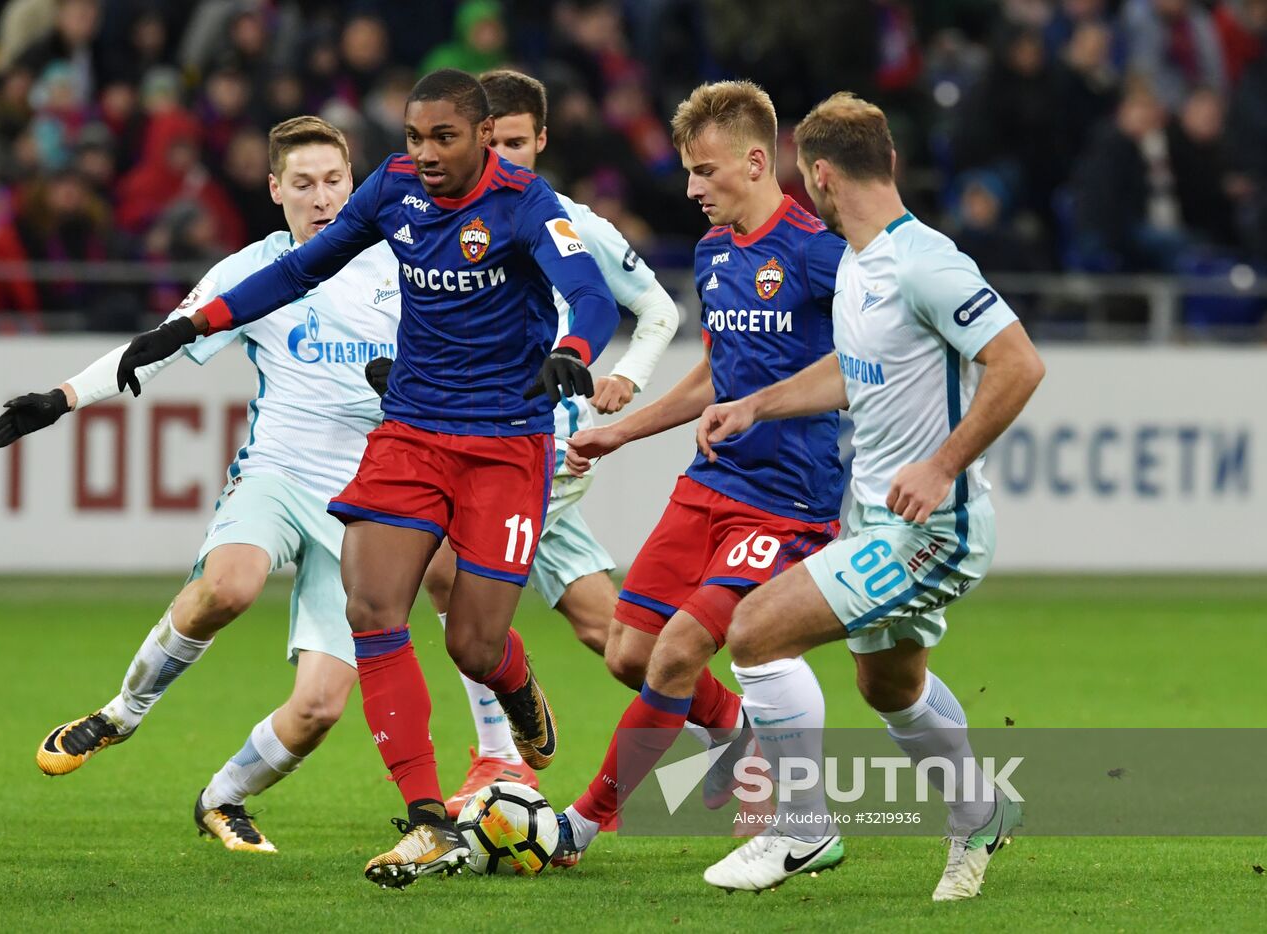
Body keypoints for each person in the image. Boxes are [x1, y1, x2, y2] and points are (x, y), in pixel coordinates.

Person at [110, 69, 620, 887]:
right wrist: (190, 324)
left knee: (474, 642)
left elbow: (591, 296)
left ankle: (515, 681)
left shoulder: (527, 204)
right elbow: (297, 270)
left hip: (503, 444)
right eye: (412, 136)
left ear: (485, 136)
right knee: (373, 607)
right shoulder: (390, 190)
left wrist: (575, 352)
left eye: (441, 138)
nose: (421, 154)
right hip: (411, 432)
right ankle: (426, 821)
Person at [0, 116, 398, 854]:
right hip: (279, 471)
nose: (321, 197)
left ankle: (223, 797)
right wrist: (61, 398)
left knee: (321, 708)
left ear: (355, 183)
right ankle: (120, 713)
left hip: (369, 502)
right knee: (230, 585)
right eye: (302, 183)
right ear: (275, 190)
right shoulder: (252, 272)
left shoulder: (397, 267)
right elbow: (160, 347)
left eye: (334, 180)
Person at [694, 92, 1044, 899]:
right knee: (888, 686)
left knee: (754, 631)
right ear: (886, 160)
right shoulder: (857, 261)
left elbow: (1019, 362)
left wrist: (943, 464)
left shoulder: (928, 262)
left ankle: (800, 830)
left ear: (817, 175)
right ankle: (980, 809)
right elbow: (851, 373)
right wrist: (755, 403)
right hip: (877, 520)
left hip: (931, 528)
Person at [551, 80, 847, 867]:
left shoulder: (821, 255)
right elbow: (717, 375)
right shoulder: (716, 256)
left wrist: (767, 408)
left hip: (785, 505)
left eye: (706, 171)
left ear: (756, 162)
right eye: (688, 171)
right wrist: (622, 435)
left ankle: (581, 823)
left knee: (680, 650)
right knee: (628, 653)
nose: (691, 188)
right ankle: (738, 732)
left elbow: (870, 366)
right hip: (708, 488)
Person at [409, 69, 680, 817]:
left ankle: (500, 758)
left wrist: (623, 375)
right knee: (613, 634)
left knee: (440, 566)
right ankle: (748, 738)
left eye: (517, 143)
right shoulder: (440, 219)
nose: (504, 157)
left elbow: (657, 310)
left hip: (543, 455)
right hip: (497, 448)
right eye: (491, 141)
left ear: (542, 140)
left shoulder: (570, 223)